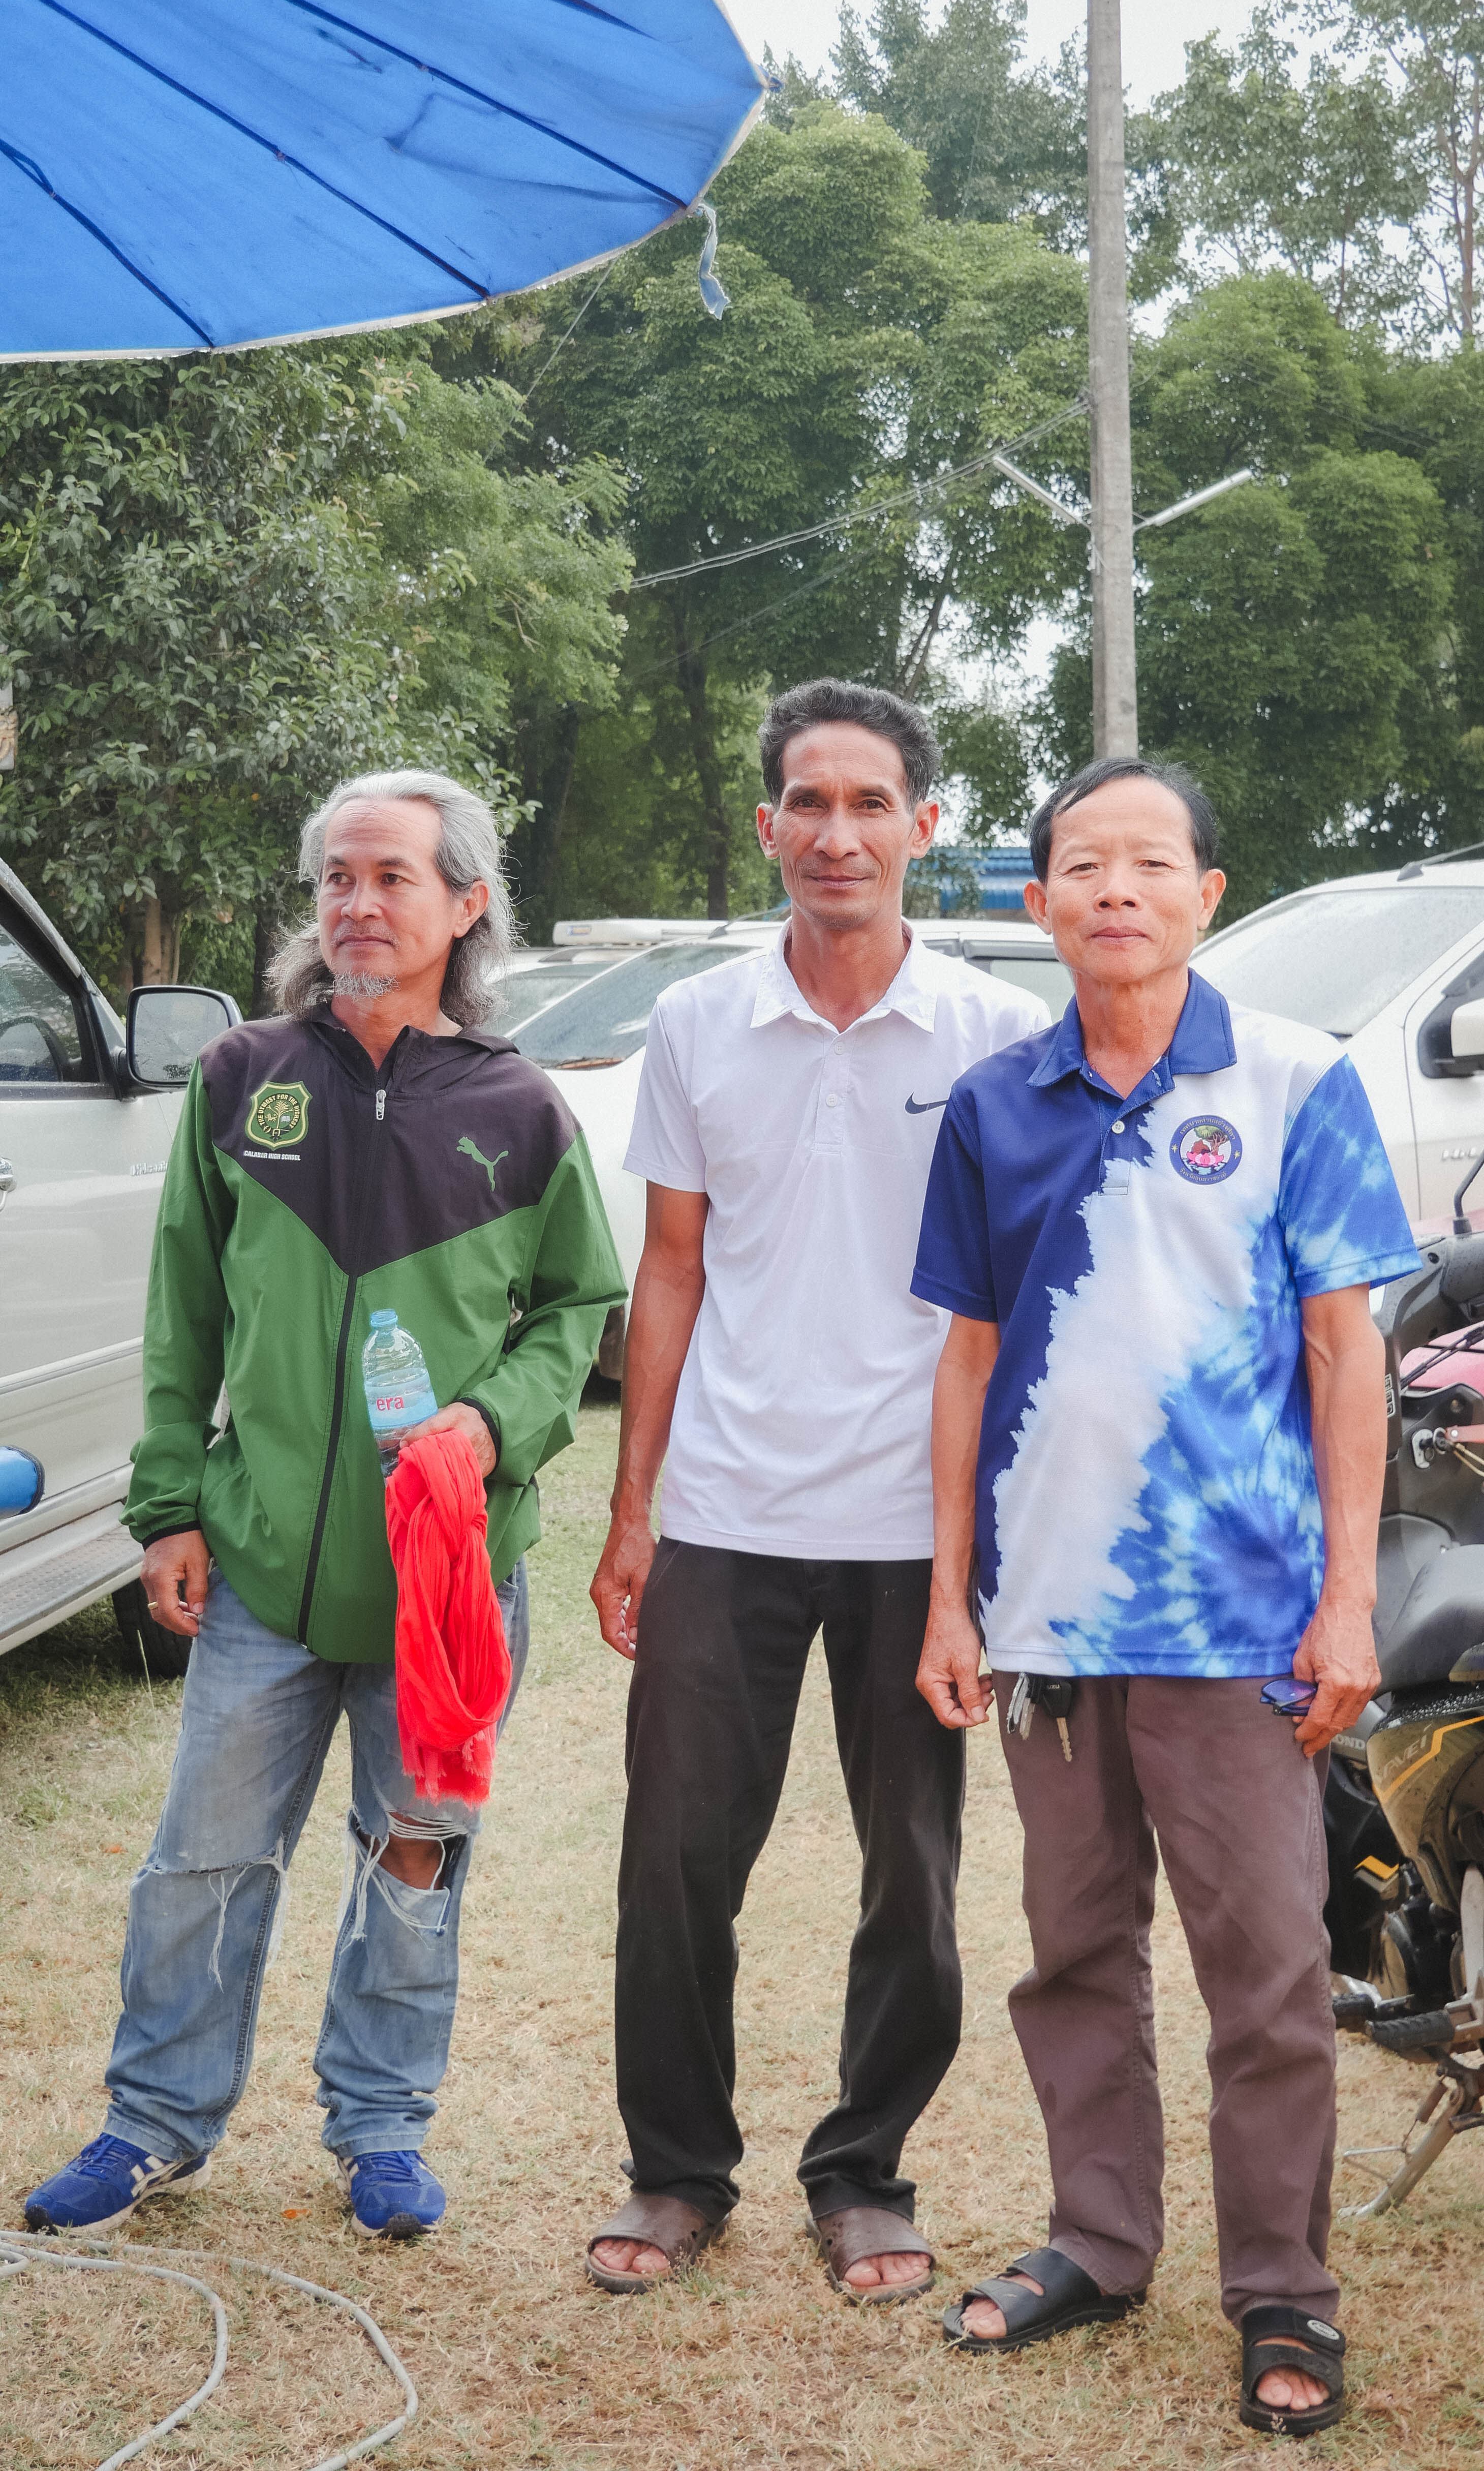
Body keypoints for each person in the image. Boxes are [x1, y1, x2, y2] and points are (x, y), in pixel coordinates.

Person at [26, 770, 623, 2243]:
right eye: (337, 879)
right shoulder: (243, 1077)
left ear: (467, 906)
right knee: (203, 1859)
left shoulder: (520, 1106)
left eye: (393, 878)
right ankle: (154, 2121)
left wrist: (494, 1421)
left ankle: (381, 2130)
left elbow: (576, 1309)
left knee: (414, 1858)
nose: (358, 904)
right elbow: (183, 1308)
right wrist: (170, 1507)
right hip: (263, 1566)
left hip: (447, 1578)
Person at [911, 755, 1419, 2434]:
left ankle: (1283, 2287)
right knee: (1072, 1954)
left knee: (1265, 1974)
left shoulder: (1292, 1080)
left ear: (1208, 893)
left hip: (1242, 1623)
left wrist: (1348, 1601)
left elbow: (1347, 1355)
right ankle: (1099, 2240)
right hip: (1048, 1624)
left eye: (1150, 864)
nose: (1115, 890)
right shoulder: (994, 1105)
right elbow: (968, 1362)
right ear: (1039, 900)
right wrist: (951, 1601)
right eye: (1082, 865)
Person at [583, 679, 1049, 2303]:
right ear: (768, 823)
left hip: (918, 1525)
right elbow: (672, 1267)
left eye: (870, 803)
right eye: (808, 802)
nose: (837, 833)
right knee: (674, 1859)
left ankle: (863, 2171)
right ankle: (674, 2170)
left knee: (911, 1869)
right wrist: (633, 1508)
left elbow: (1019, 1297)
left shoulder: (994, 1033)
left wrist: (995, 1537)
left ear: (927, 824)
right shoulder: (698, 1022)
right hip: (727, 1508)